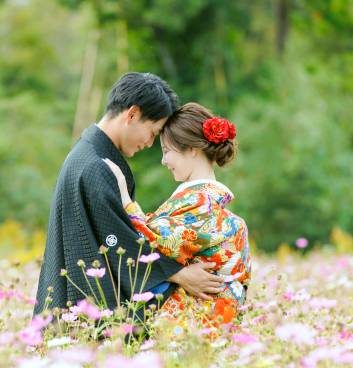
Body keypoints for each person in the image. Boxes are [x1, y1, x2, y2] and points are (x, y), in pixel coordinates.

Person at [34, 73, 226, 321]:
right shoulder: (94, 165)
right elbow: (116, 239)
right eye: (153, 132)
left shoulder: (90, 154)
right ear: (132, 115)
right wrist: (179, 274)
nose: (149, 143)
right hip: (82, 305)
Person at [103, 103, 251, 331]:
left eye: (166, 151)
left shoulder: (197, 203)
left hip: (192, 328)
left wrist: (125, 199)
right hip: (219, 326)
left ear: (191, 148)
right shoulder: (216, 208)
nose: (163, 161)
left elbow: (149, 243)